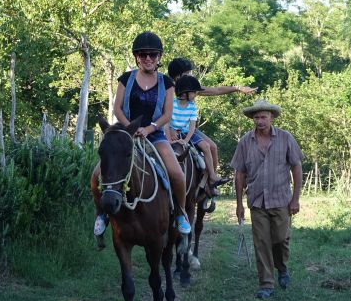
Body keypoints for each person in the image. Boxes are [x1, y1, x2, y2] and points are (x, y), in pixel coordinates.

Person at [92, 32, 191, 243]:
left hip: (154, 134)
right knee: (96, 174)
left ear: (158, 57)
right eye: (143, 54)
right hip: (124, 133)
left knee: (176, 173)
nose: (148, 58)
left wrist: (148, 128)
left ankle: (180, 213)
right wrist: (130, 128)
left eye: (152, 55)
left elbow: (167, 114)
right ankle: (101, 212)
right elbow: (117, 108)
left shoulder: (166, 82)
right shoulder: (126, 79)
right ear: (136, 56)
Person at [230, 99, 303, 299]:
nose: (260, 121)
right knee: (261, 241)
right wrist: (238, 204)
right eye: (256, 117)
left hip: (281, 199)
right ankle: (266, 284)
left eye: (263, 117)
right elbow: (239, 173)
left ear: (272, 117)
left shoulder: (285, 138)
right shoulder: (246, 141)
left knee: (280, 239)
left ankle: (282, 268)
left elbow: (296, 167)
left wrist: (295, 199)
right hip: (256, 200)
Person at [165, 57, 256, 186]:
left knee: (212, 147)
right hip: (169, 127)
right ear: (178, 75)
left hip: (188, 127)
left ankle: (210, 182)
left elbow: (216, 90)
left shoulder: (189, 86)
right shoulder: (167, 88)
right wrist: (170, 129)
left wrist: (238, 88)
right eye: (188, 73)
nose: (191, 75)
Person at [171, 75, 228, 193]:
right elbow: (166, 122)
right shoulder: (171, 104)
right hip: (173, 133)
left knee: (207, 147)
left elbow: (192, 127)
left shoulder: (192, 106)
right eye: (194, 92)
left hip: (187, 133)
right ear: (185, 92)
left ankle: (212, 176)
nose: (196, 94)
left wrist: (185, 141)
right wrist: (171, 134)